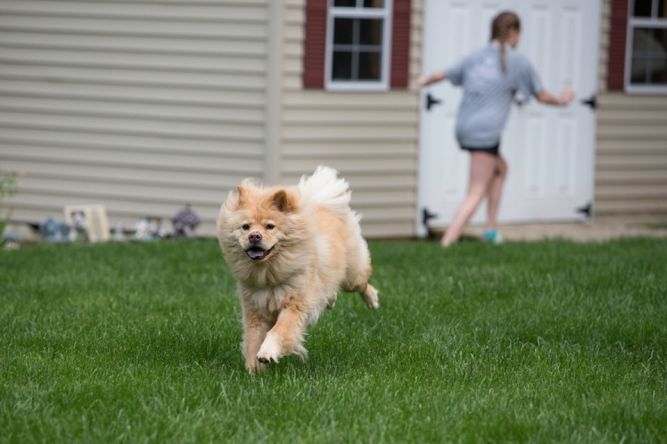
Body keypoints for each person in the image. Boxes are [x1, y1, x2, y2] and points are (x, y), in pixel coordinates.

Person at [418, 11, 574, 247]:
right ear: (512, 32)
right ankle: (448, 242)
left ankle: (490, 230)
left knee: (500, 169)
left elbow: (443, 73)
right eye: (518, 33)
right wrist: (563, 100)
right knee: (476, 190)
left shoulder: (475, 56)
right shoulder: (518, 61)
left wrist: (424, 80)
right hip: (485, 133)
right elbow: (541, 95)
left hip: (464, 127)